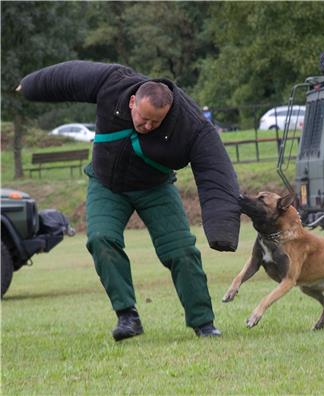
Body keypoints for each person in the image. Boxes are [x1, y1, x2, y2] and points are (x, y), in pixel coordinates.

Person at [18, 61, 241, 339]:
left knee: (182, 251)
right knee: (101, 239)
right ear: (133, 101)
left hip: (155, 187)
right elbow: (71, 77)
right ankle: (127, 316)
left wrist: (222, 230)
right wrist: (30, 85)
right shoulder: (113, 83)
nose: (147, 126)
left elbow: (215, 170)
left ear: (168, 112)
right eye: (143, 118)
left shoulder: (190, 123)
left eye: (155, 122)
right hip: (106, 183)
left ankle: (204, 324)